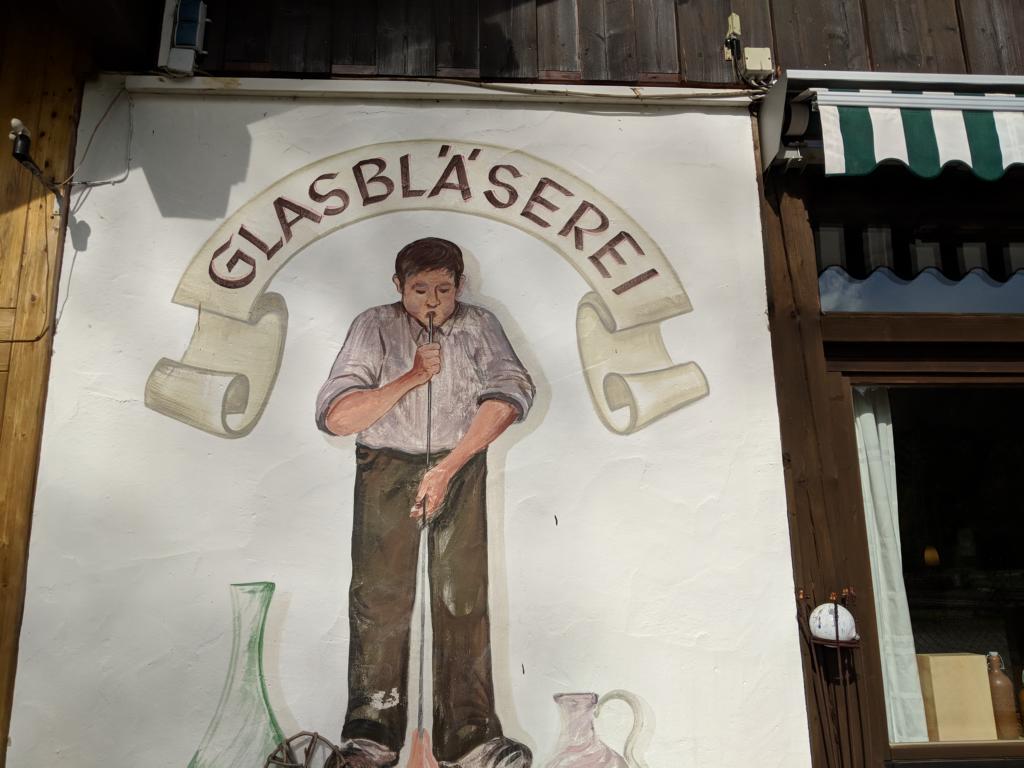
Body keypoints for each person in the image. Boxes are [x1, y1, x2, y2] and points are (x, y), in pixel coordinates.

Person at [316, 237, 535, 768]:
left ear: (460, 285)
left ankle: (471, 738)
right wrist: (413, 377)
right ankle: (370, 736)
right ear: (398, 285)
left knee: (462, 597)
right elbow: (337, 417)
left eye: (444, 289)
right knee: (379, 598)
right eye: (419, 290)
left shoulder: (479, 325)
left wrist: (448, 467)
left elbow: (511, 394)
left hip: (460, 465)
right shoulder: (373, 325)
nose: (433, 301)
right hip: (385, 466)